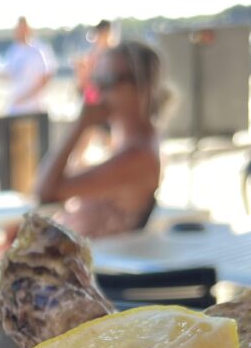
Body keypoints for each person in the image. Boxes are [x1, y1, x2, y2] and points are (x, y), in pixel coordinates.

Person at [34, 40, 167, 238]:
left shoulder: (137, 156)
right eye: (95, 80)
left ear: (142, 86)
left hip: (91, 262)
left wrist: (81, 125)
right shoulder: (123, 142)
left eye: (108, 81)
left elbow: (45, 191)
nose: (97, 92)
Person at [0, 16, 56, 115]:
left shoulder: (36, 52)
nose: (20, 32)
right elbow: (8, 76)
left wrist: (24, 98)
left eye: (23, 29)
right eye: (18, 29)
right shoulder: (12, 51)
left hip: (33, 108)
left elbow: (44, 79)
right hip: (15, 109)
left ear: (28, 30)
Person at [75, 20, 114, 106]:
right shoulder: (93, 53)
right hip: (94, 97)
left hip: (105, 98)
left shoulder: (113, 53)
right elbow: (84, 81)